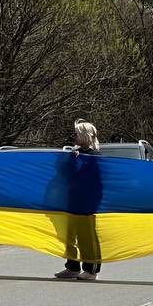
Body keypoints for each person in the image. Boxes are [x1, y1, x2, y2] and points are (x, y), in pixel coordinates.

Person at [54, 120, 103, 282]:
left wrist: (77, 161)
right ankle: (72, 266)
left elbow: (90, 178)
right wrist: (70, 160)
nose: (74, 136)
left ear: (85, 135)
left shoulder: (95, 156)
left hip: (88, 202)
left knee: (86, 236)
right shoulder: (75, 153)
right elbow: (63, 174)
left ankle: (91, 269)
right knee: (70, 235)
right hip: (72, 200)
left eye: (77, 133)